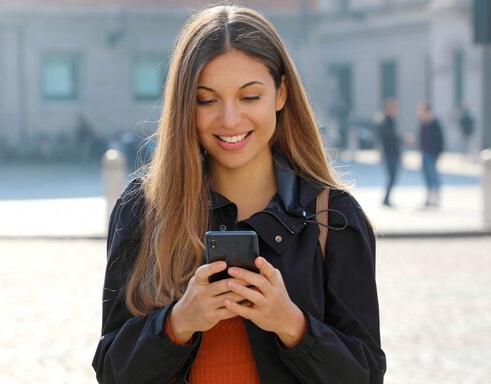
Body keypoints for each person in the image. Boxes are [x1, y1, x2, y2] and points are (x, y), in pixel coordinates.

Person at [92, 5, 386, 383]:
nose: (230, 120)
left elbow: (366, 376)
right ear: (185, 105)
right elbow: (112, 373)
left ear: (280, 94)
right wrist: (177, 323)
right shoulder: (143, 209)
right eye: (207, 99)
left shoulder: (334, 217)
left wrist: (293, 325)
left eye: (249, 97)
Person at [417, 100, 444, 207]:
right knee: (426, 177)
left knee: (434, 177)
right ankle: (428, 198)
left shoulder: (435, 123)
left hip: (432, 154)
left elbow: (440, 140)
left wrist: (438, 153)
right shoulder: (423, 124)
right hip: (424, 153)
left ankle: (436, 198)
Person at [377, 98, 401, 207]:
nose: (395, 110)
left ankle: (387, 198)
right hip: (389, 154)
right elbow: (388, 138)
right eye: (392, 108)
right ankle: (386, 198)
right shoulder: (385, 122)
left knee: (392, 177)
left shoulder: (391, 121)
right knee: (391, 177)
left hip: (393, 153)